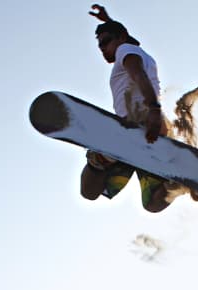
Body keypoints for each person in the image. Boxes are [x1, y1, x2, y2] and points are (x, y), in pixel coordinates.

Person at [80, 4, 177, 213]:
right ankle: (174, 186)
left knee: (88, 188)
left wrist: (153, 109)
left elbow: (138, 74)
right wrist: (108, 21)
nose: (103, 49)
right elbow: (128, 39)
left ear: (121, 38)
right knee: (153, 203)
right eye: (100, 46)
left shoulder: (126, 51)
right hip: (152, 135)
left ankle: (103, 158)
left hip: (133, 125)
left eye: (106, 42)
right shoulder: (136, 50)